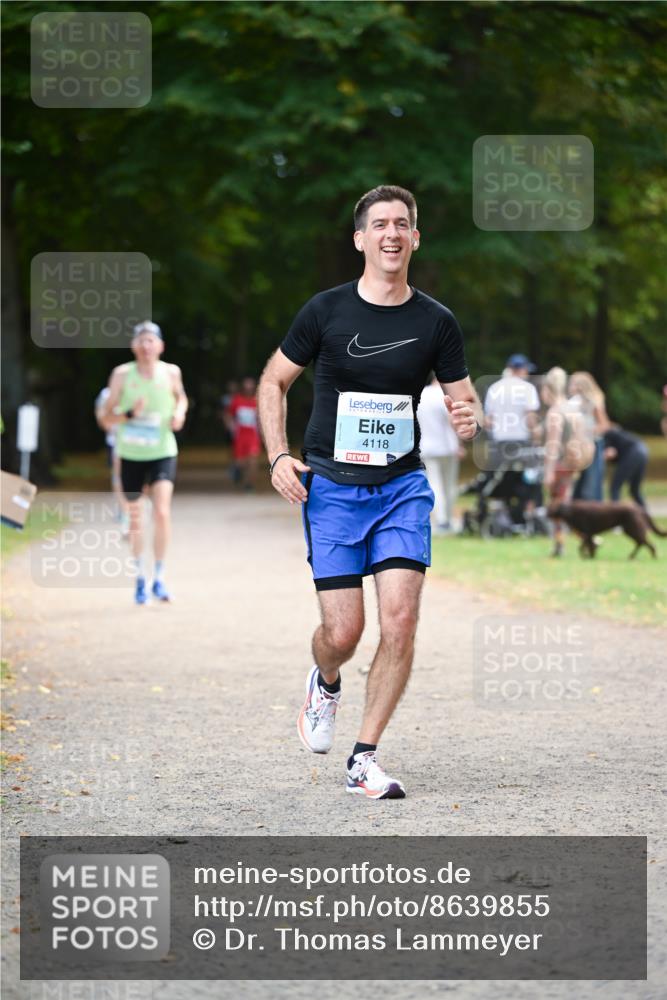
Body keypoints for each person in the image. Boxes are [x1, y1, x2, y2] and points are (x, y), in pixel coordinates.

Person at [257, 185, 481, 799]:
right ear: (359, 239)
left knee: (401, 622)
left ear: (415, 238)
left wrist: (469, 419)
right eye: (379, 224)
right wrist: (279, 454)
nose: (390, 233)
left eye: (401, 224)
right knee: (344, 633)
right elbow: (274, 382)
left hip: (402, 487)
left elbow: (465, 400)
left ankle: (365, 755)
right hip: (331, 487)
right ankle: (325, 679)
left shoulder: (436, 321)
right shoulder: (325, 311)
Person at [100, 321, 188, 605]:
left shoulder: (171, 372)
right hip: (131, 454)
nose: (146, 346)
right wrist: (127, 413)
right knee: (136, 517)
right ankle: (140, 576)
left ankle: (159, 578)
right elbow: (105, 417)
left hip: (162, 450)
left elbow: (181, 399)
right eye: (141, 341)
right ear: (134, 346)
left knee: (161, 512)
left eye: (151, 341)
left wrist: (180, 415)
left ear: (160, 346)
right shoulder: (122, 375)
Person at [541, 366, 594, 557]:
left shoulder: (555, 412)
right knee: (565, 505)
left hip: (559, 466)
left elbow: (552, 445)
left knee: (557, 509)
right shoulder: (572, 409)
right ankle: (584, 539)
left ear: (548, 389)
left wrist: (548, 471)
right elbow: (582, 435)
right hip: (572, 464)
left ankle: (561, 544)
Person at [483, 354, 540, 524]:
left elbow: (488, 421)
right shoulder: (527, 388)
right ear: (519, 369)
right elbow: (530, 418)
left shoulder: (494, 388)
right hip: (520, 440)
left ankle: (502, 516)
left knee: (500, 480)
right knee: (523, 480)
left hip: (500, 441)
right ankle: (520, 515)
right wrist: (536, 437)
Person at [417, 374, 464, 533]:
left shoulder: (422, 394)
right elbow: (453, 421)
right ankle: (447, 519)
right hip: (447, 446)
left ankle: (441, 519)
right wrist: (459, 444)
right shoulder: (446, 395)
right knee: (449, 485)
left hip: (427, 446)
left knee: (434, 483)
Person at [568, 371, 610, 501]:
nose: (570, 386)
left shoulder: (593, 403)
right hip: (578, 445)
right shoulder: (573, 403)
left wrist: (586, 432)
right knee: (577, 482)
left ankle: (594, 512)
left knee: (591, 483)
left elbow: (604, 425)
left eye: (573, 383)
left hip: (593, 445)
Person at [94, 386, 129, 535]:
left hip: (139, 443)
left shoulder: (140, 390)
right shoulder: (107, 393)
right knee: (118, 476)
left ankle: (132, 508)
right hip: (116, 441)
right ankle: (124, 511)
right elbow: (101, 414)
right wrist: (106, 423)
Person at [224, 377, 261, 490]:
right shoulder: (237, 400)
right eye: (246, 387)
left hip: (253, 435)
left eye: (251, 387)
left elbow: (262, 418)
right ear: (243, 388)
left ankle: (249, 485)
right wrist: (231, 427)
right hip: (240, 435)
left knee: (253, 461)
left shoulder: (257, 401)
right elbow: (228, 415)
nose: (249, 389)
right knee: (241, 463)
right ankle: (236, 471)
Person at [604, 425, 649, 508]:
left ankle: (615, 515)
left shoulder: (607, 436)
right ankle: (645, 515)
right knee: (634, 489)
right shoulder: (615, 432)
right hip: (644, 450)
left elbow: (610, 453)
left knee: (615, 486)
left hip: (634, 452)